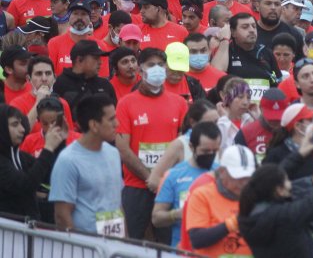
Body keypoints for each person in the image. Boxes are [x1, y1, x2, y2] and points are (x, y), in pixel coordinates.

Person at [115, 48, 189, 239]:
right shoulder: (125, 103)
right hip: (136, 186)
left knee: (167, 242)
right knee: (131, 242)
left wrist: (162, 180)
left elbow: (182, 145)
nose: (157, 69)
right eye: (151, 65)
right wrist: (150, 178)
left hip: (169, 186)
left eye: (160, 65)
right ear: (140, 70)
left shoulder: (180, 103)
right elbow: (123, 148)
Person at [238, 142, 313, 258]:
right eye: (287, 181)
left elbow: (273, 176)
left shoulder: (247, 215)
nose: (290, 184)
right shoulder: (284, 216)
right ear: (279, 190)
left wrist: (299, 154)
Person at [49, 94, 124, 236]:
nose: (117, 124)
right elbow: (62, 215)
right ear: (94, 125)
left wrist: (127, 243)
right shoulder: (68, 160)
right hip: (87, 248)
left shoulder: (113, 153)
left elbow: (117, 202)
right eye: (111, 119)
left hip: (116, 246)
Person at [151, 121, 222, 247]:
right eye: (205, 151)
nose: (210, 155)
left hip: (215, 248)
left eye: (214, 151)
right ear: (191, 147)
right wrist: (176, 214)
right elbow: (156, 218)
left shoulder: (222, 173)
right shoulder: (174, 175)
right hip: (182, 249)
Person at [184, 144, 256, 256]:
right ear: (222, 172)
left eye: (247, 177)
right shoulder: (202, 195)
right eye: (238, 177)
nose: (243, 182)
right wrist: (233, 223)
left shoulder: (258, 196)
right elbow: (197, 240)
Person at [0, 103, 66, 218]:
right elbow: (26, 185)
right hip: (10, 232)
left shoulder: (22, 157)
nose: (22, 129)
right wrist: (48, 148)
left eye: (21, 123)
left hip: (28, 229)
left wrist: (59, 144)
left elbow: (49, 175)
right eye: (15, 124)